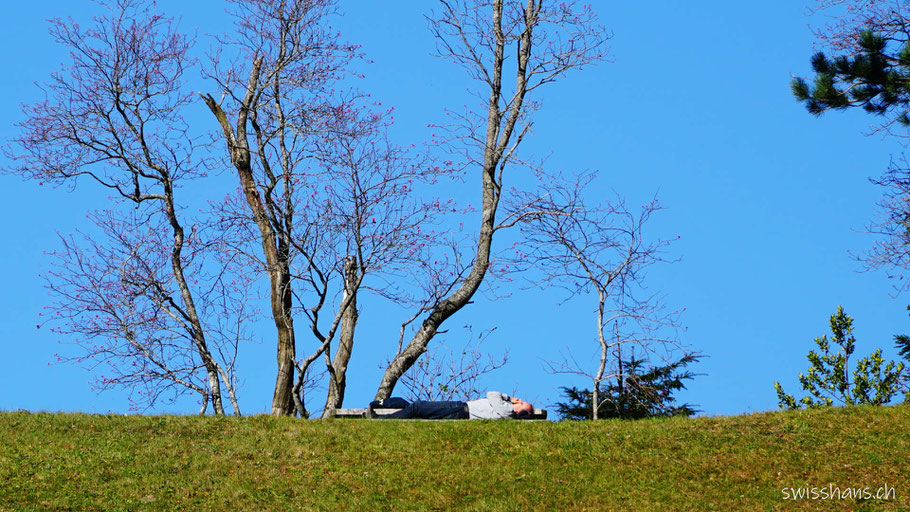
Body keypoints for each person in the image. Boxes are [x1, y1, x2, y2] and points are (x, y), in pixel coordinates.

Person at [372, 391, 534, 420]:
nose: (518, 401)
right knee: (414, 408)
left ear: (520, 409)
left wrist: (510, 398)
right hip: (459, 410)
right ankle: (380, 405)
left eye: (521, 402)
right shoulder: (506, 413)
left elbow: (492, 394)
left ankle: (381, 419)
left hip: (459, 410)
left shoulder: (508, 411)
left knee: (418, 407)